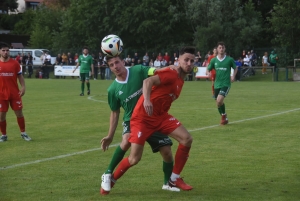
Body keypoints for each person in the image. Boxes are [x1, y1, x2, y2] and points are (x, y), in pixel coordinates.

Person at [103, 46, 196, 194]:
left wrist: (168, 67)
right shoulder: (113, 89)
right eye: (186, 60)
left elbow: (153, 71)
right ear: (179, 60)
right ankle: (110, 177)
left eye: (192, 60)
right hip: (141, 119)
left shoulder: (176, 78)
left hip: (159, 117)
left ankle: (172, 179)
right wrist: (147, 100)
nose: (189, 63)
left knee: (183, 141)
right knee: (134, 157)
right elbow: (147, 82)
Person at [0, 42, 31, 142]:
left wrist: (23, 87)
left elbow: (20, 76)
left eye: (7, 50)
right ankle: (4, 135)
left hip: (14, 93)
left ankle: (23, 133)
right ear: (0, 51)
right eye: (3, 50)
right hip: (1, 94)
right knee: (1, 116)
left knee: (19, 113)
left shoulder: (15, 63)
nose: (5, 52)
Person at [207, 42, 237, 125]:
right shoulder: (213, 60)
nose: (221, 49)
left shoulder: (229, 59)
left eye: (223, 48)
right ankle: (224, 116)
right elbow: (208, 68)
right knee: (218, 102)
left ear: (225, 49)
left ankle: (223, 117)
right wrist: (208, 73)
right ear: (217, 49)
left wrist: (233, 76)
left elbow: (235, 68)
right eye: (220, 48)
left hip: (226, 83)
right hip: (217, 84)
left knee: (219, 100)